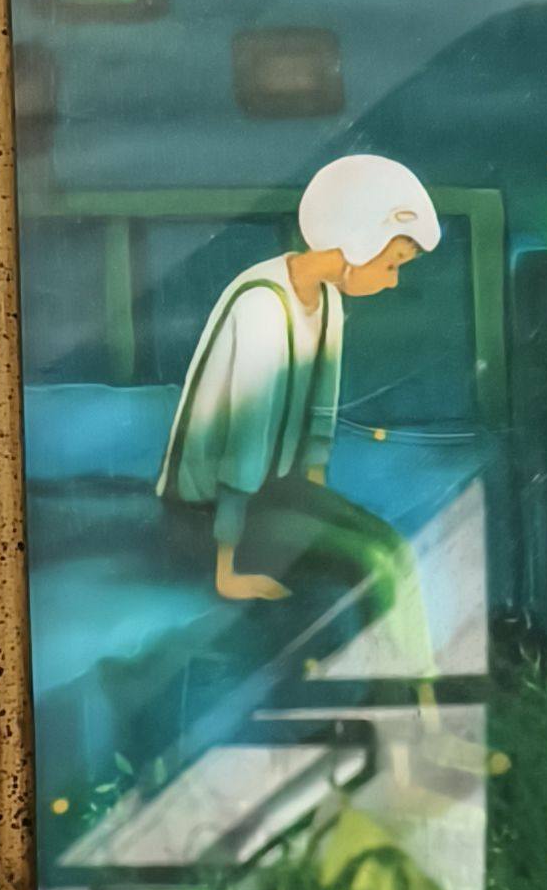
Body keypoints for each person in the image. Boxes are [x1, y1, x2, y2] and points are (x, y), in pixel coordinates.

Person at [158, 151, 440, 646]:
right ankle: (404, 686)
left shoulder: (327, 299)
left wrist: (318, 503)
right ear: (358, 242)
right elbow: (243, 446)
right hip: (208, 513)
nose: (393, 279)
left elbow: (320, 417)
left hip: (276, 491)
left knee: (396, 549)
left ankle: (423, 686)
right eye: (392, 263)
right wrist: (228, 569)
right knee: (373, 564)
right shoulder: (263, 306)